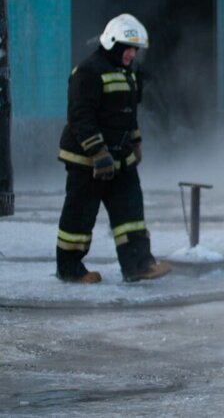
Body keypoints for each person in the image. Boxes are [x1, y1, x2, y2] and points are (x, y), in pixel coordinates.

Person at [55, 14, 171, 284]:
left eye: (135, 50)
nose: (133, 55)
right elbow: (80, 117)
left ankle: (138, 265)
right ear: (113, 44)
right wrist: (98, 153)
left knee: (131, 213)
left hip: (120, 158)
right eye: (128, 49)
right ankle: (70, 269)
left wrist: (136, 142)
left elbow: (128, 114)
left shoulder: (128, 73)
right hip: (86, 161)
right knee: (79, 216)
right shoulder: (88, 71)